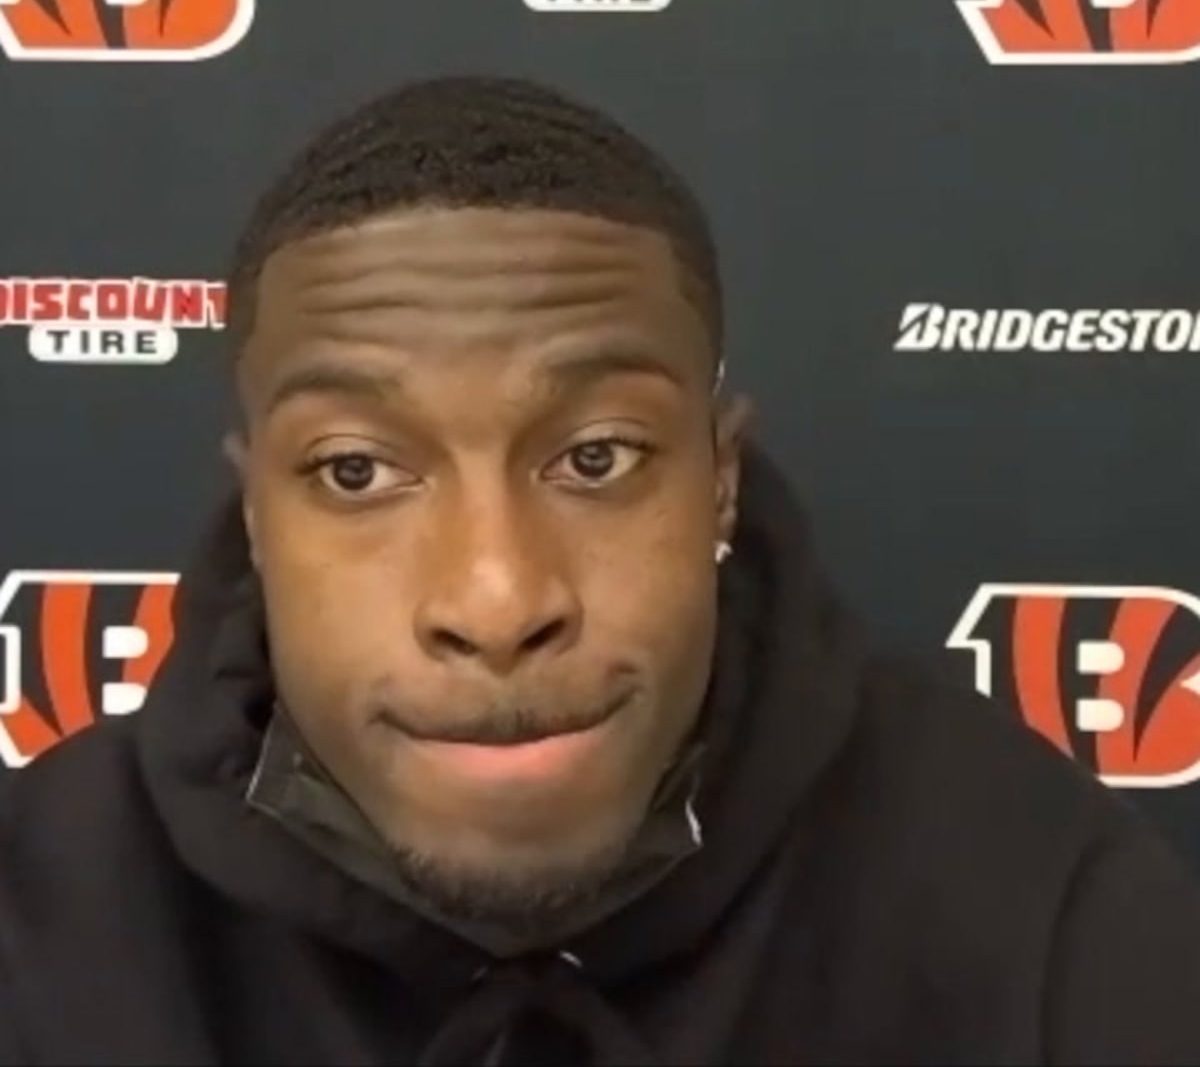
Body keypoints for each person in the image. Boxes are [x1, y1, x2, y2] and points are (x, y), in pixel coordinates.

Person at [2, 76, 1199, 1067]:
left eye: (595, 455)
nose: (498, 601)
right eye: (359, 471)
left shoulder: (1045, 915)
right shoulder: (41, 930)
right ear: (257, 512)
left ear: (718, 479)